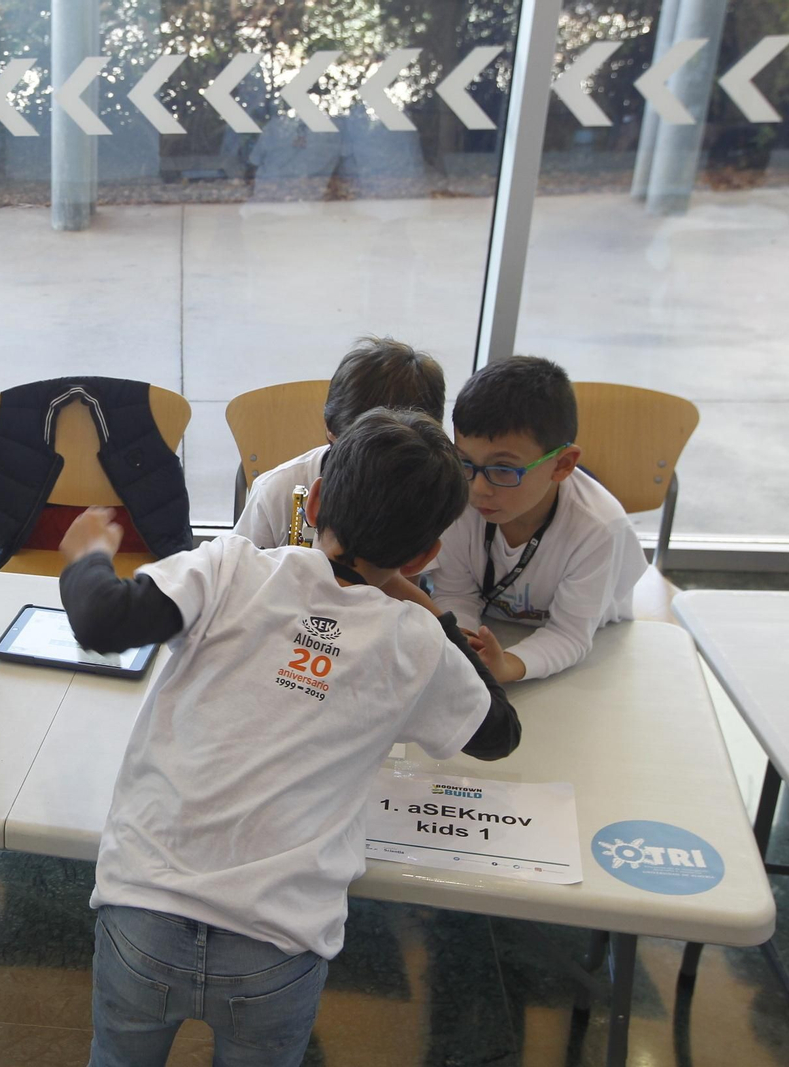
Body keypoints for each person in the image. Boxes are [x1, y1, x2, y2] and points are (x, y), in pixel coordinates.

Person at [58, 408, 519, 1067]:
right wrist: (430, 609)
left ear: (318, 498)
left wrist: (88, 557)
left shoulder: (232, 568)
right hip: (278, 940)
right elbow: (498, 733)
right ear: (425, 555)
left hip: (144, 907)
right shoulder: (414, 642)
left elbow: (103, 617)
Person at [430, 356, 646, 682]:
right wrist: (465, 647)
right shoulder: (459, 502)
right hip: (496, 634)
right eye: (465, 463)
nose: (479, 489)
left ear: (562, 464)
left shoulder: (599, 529)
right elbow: (456, 594)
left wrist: (505, 667)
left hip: (591, 652)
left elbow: (570, 635)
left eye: (503, 469)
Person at [234, 336, 445, 549]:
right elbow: (239, 575)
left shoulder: (430, 489)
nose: (375, 473)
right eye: (359, 454)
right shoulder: (277, 492)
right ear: (330, 428)